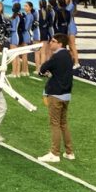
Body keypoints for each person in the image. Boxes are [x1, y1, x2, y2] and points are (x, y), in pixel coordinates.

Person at [36, 33, 75, 163]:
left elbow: (42, 68)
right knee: (63, 124)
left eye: (53, 41)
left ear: (60, 44)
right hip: (66, 95)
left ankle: (54, 153)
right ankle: (69, 152)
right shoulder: (68, 56)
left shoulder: (56, 56)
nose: (51, 43)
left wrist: (45, 72)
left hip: (56, 95)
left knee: (55, 124)